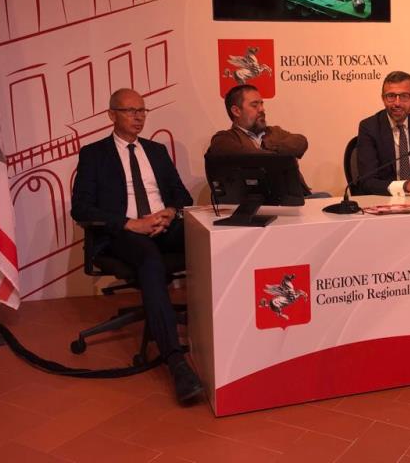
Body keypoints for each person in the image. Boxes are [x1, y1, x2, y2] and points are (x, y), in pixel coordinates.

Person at [71, 88, 202, 404]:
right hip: (123, 232)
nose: (139, 116)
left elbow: (181, 196)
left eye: (142, 110)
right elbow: (81, 208)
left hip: (163, 225)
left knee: (209, 240)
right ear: (111, 115)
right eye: (130, 111)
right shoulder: (94, 154)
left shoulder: (156, 151)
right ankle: (175, 361)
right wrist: (131, 224)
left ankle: (227, 333)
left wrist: (169, 212)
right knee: (150, 259)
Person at [209, 84, 324, 196]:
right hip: (257, 200)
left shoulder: (274, 131)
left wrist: (271, 149)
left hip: (298, 196)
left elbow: (301, 142)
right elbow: (246, 157)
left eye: (261, 104)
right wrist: (280, 156)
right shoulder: (225, 138)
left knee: (324, 196)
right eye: (254, 105)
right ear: (236, 111)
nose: (262, 109)